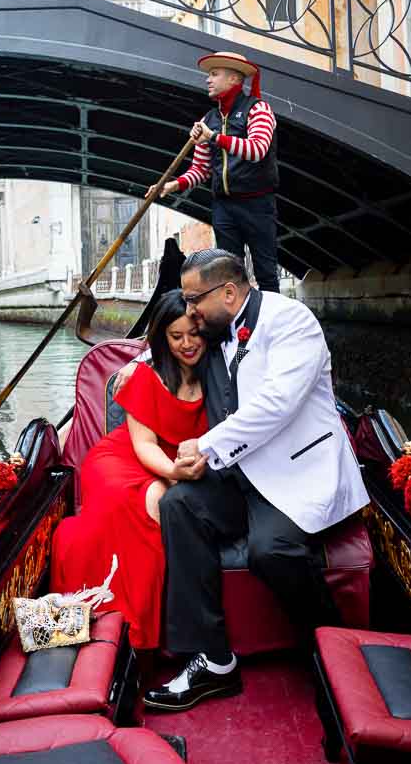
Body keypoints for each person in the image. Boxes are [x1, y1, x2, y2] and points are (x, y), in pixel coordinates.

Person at [142, 248, 369, 711]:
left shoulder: (292, 322)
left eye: (194, 300)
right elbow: (175, 348)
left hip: (298, 473)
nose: (190, 311)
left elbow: (277, 406)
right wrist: (142, 362)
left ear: (227, 292)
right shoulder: (217, 329)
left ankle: (338, 655)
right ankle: (213, 658)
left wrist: (205, 445)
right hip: (242, 475)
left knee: (271, 550)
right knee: (179, 504)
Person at [50, 290, 208, 650]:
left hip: (178, 459)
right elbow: (144, 446)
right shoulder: (145, 377)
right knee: (146, 500)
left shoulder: (220, 372)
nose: (187, 344)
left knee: (158, 503)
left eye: (194, 335)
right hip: (124, 459)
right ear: (162, 339)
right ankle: (120, 624)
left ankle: (140, 630)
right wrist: (176, 473)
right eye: (176, 336)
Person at [148, 51, 280, 292]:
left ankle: (271, 326)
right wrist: (174, 185)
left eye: (214, 74)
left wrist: (215, 137)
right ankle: (235, 328)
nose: (208, 80)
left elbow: (258, 149)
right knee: (229, 275)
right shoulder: (208, 119)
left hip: (258, 204)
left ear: (234, 79)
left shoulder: (258, 109)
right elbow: (201, 169)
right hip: (224, 208)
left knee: (266, 274)